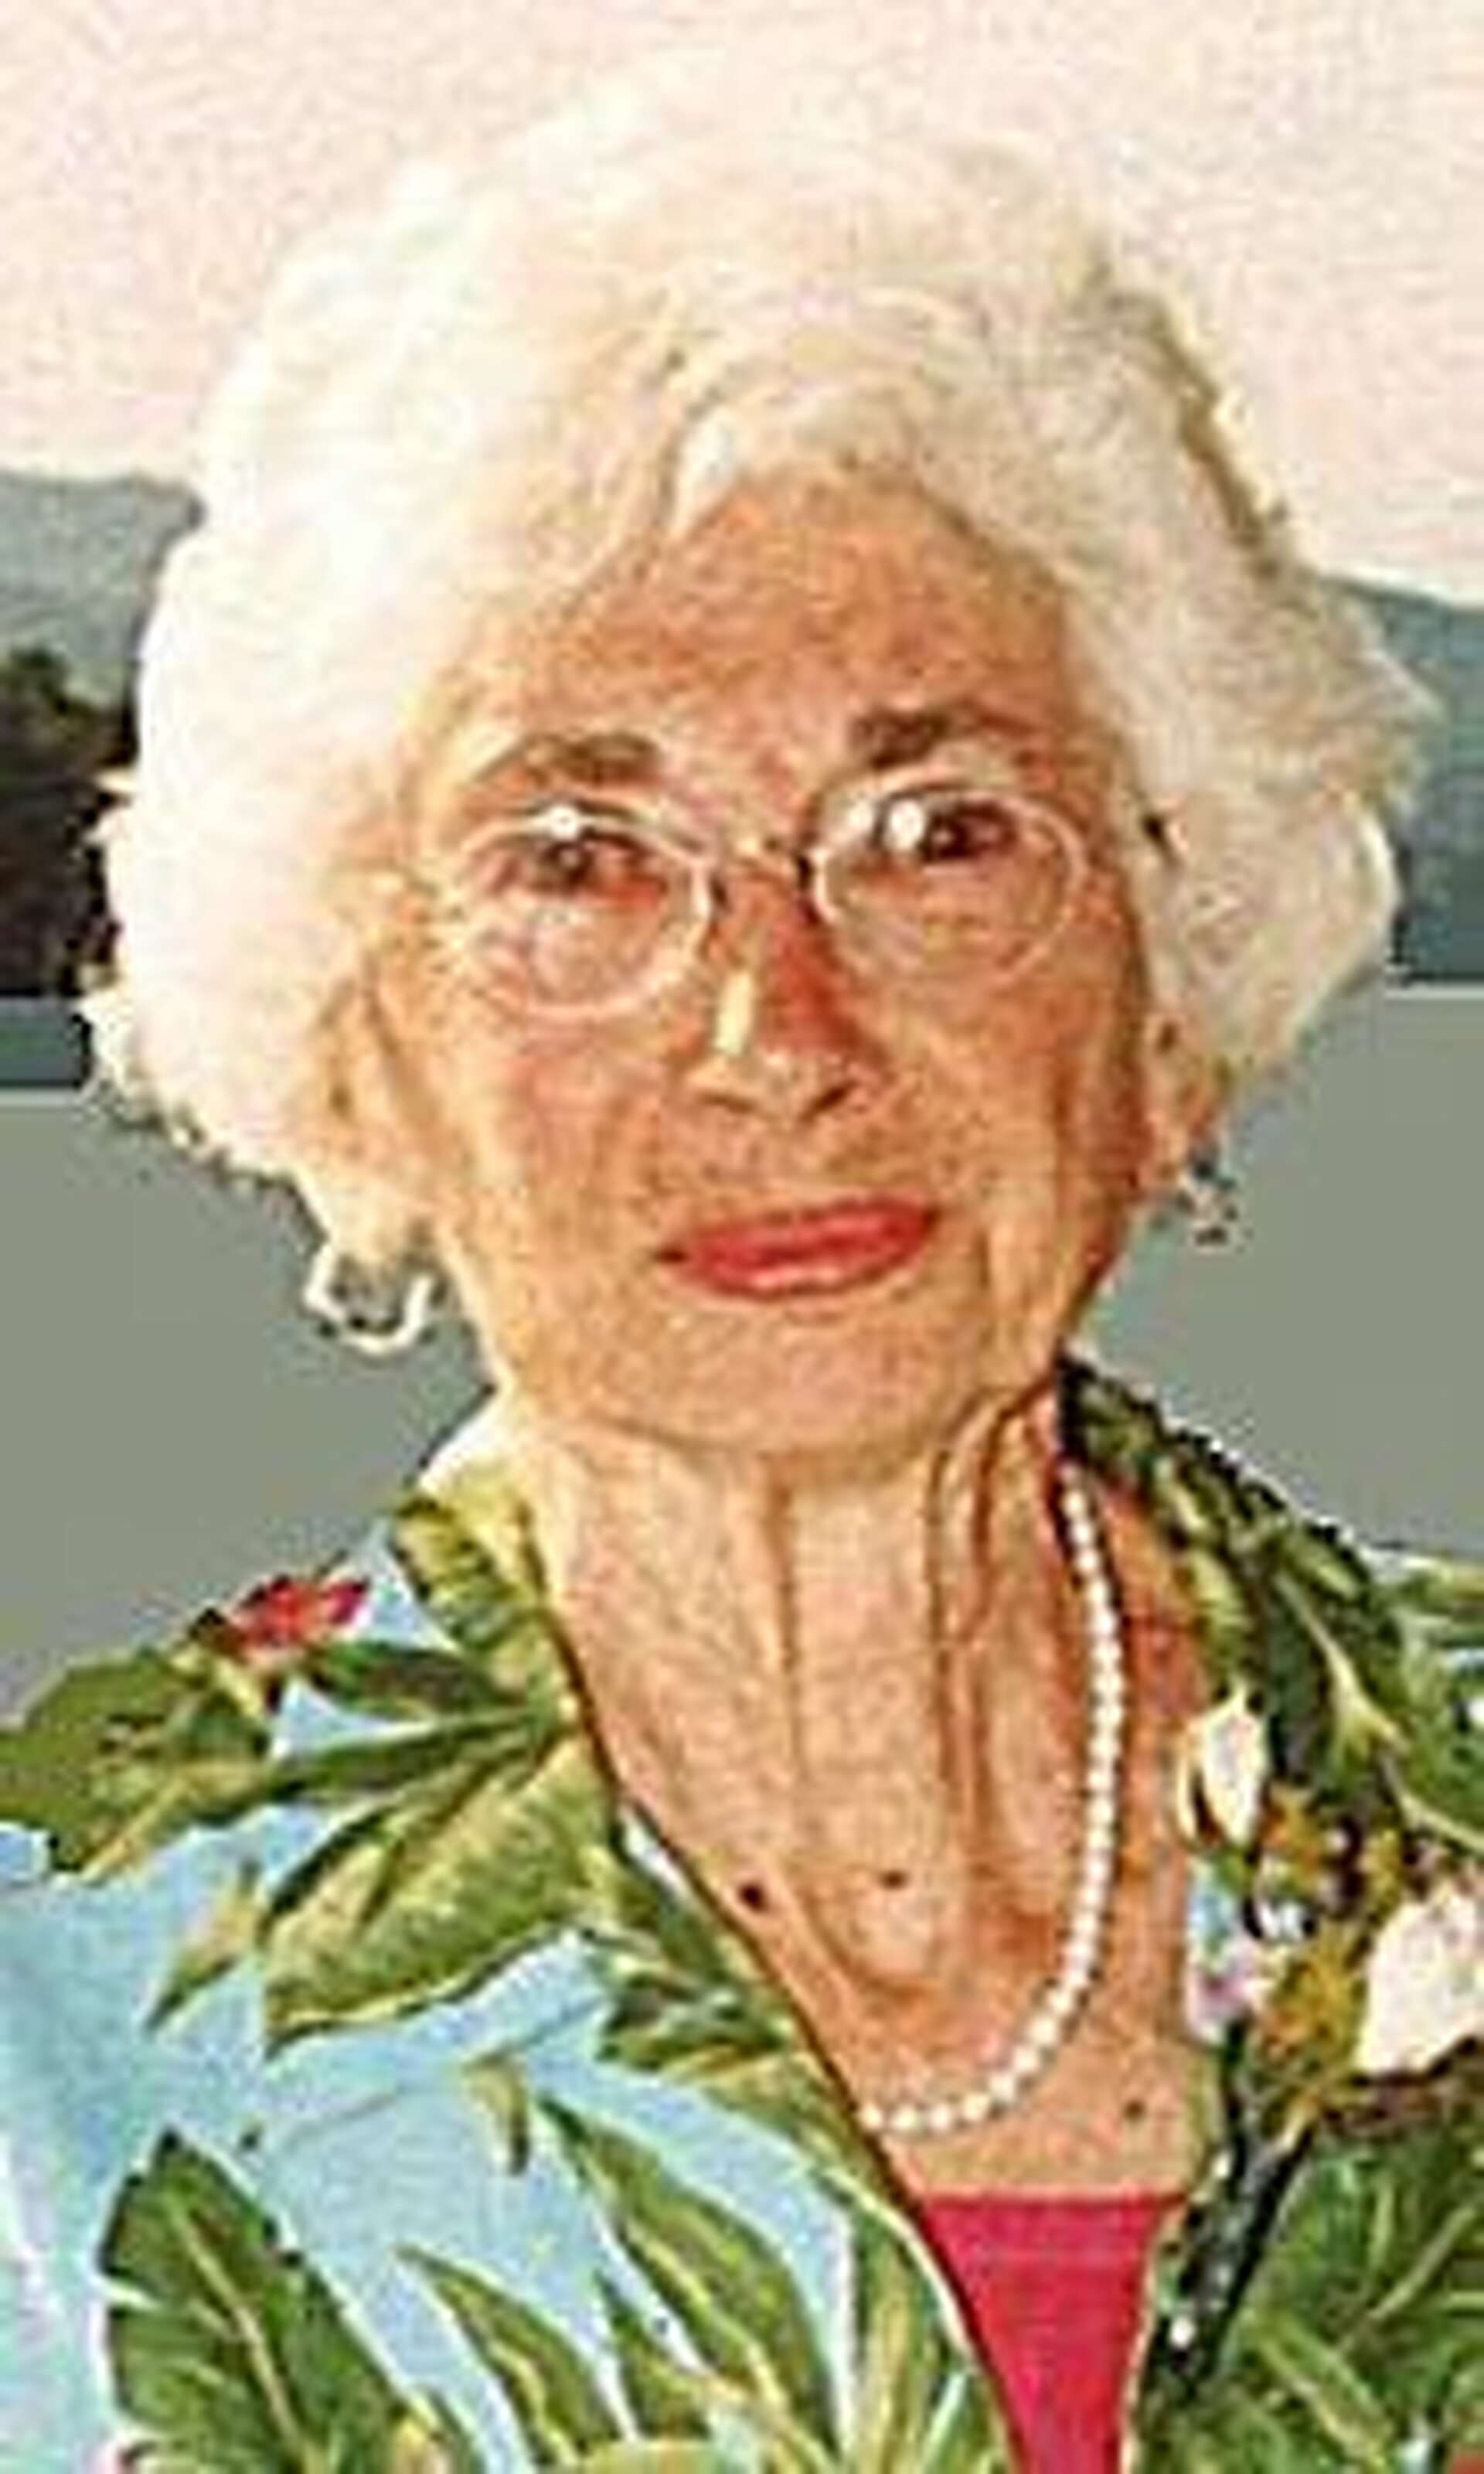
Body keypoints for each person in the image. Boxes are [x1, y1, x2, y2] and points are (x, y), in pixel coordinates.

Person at [2, 53, 1480, 2474]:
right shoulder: (57, 1993)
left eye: (937, 834)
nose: (776, 1036)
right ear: (360, 1047)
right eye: (577, 864)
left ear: (1175, 993)